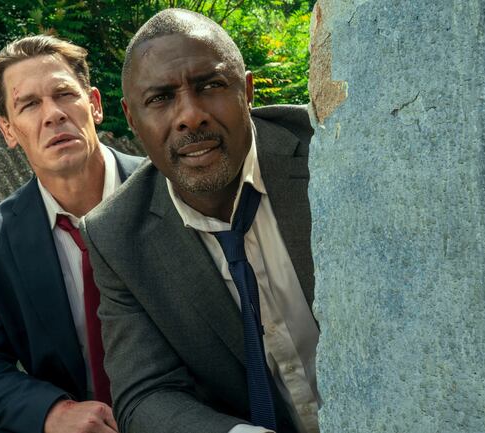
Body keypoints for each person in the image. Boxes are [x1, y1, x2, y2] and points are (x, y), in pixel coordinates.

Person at [82, 8, 320, 433]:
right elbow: (145, 394)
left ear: (247, 91)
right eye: (160, 98)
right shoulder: (117, 236)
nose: (190, 115)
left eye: (210, 85)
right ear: (132, 119)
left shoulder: (325, 151)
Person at [0, 35, 143, 433]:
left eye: (64, 94)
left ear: (95, 104)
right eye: (29, 105)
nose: (53, 114)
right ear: (8, 130)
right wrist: (53, 411)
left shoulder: (167, 192)